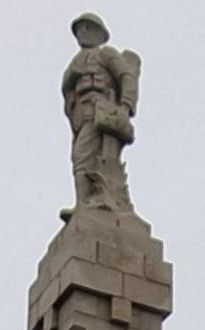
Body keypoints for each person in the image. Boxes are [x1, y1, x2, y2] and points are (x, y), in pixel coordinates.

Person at [62, 13, 141, 214]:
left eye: (88, 28)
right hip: (82, 114)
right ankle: (84, 203)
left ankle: (87, 203)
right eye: (80, 30)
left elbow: (126, 76)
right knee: (80, 157)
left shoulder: (106, 54)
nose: (83, 33)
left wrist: (125, 106)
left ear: (99, 34)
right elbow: (68, 88)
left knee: (84, 156)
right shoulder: (75, 63)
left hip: (101, 110)